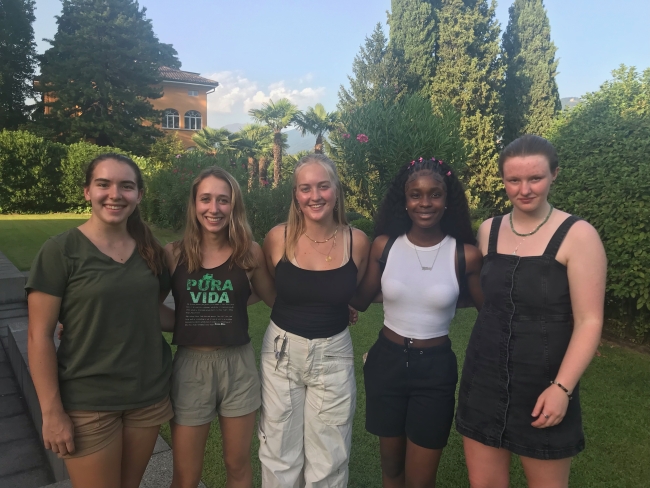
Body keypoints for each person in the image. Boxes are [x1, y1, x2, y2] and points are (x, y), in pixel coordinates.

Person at [455, 135, 607, 488]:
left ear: (554, 174)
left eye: (535, 178)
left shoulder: (579, 236)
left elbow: (590, 321)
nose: (524, 189)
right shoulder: (488, 231)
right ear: (504, 180)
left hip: (545, 381)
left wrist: (562, 388)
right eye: (514, 180)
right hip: (484, 377)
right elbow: (479, 296)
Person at [26, 153, 174, 488]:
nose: (115, 194)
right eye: (103, 184)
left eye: (126, 186)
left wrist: (209, 323)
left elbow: (151, 313)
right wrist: (51, 412)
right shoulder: (61, 251)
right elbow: (39, 335)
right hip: (88, 401)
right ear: (87, 192)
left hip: (147, 396)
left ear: (138, 194)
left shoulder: (151, 250)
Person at [349, 157, 484, 487]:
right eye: (416, 194)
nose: (425, 202)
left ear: (447, 199)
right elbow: (360, 300)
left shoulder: (464, 255)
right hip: (387, 364)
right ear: (404, 200)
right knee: (392, 469)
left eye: (435, 194)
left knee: (421, 479)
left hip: (435, 370)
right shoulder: (386, 246)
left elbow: (489, 310)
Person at [258, 153, 370, 487]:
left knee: (330, 456)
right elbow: (269, 291)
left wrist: (335, 306)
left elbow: (351, 291)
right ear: (295, 194)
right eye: (305, 188)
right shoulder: (277, 238)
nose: (315, 196)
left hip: (334, 353)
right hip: (281, 351)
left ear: (337, 190)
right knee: (279, 451)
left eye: (323, 186)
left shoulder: (357, 241)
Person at [164, 166, 276, 488]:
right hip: (190, 368)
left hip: (238, 366)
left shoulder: (249, 253)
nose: (214, 209)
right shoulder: (174, 254)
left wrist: (338, 304)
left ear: (234, 205)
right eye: (206, 199)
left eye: (223, 200)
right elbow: (147, 305)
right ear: (194, 204)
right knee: (186, 475)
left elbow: (275, 299)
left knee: (237, 466)